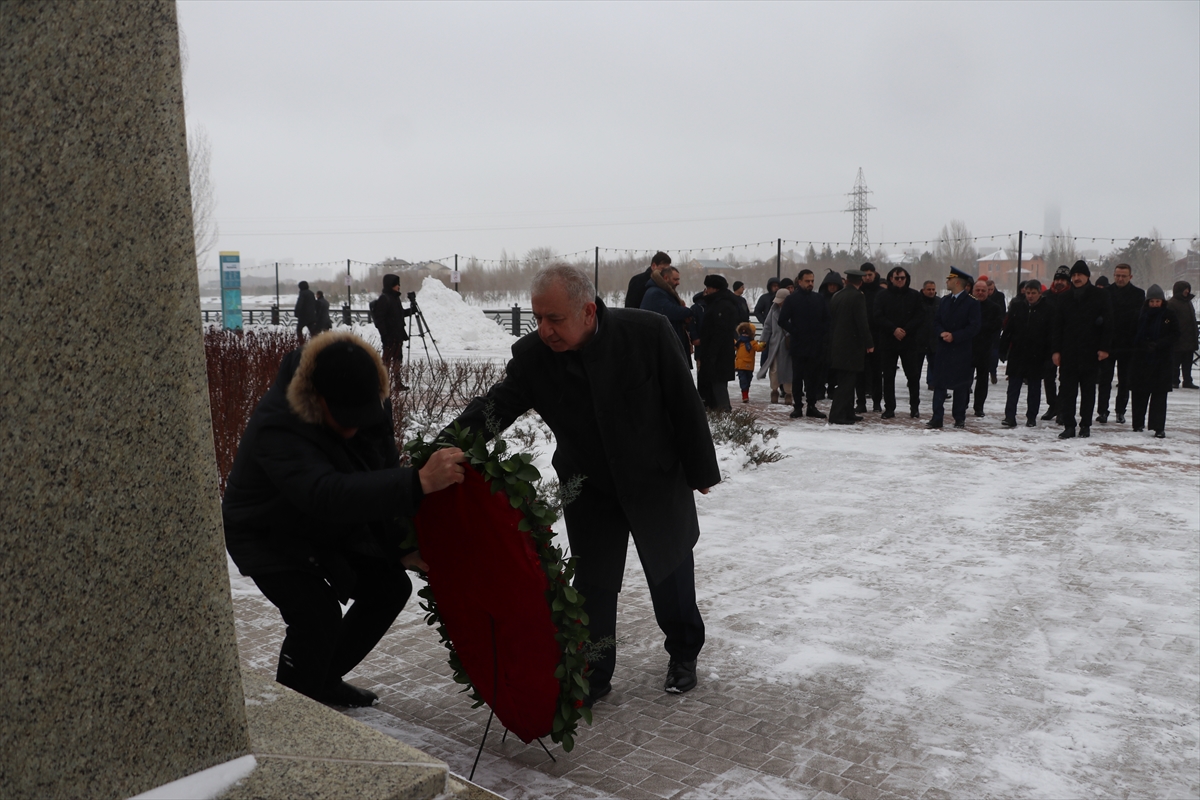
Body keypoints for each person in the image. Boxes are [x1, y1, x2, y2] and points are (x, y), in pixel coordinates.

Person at [452, 265, 720, 703]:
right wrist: (447, 445)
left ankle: (684, 653)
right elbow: (496, 408)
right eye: (538, 318)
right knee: (594, 586)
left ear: (589, 312)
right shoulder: (534, 356)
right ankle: (594, 674)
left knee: (670, 573)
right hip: (588, 485)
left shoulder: (646, 333)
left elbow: (682, 401)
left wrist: (701, 470)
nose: (545, 330)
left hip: (653, 479)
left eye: (554, 319)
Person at [222, 332, 467, 707]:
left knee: (389, 587)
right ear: (318, 399)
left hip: (325, 524)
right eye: (345, 419)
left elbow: (378, 467)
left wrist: (397, 548)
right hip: (266, 531)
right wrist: (418, 481)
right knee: (316, 613)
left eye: (362, 417)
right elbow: (325, 494)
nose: (355, 428)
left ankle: (321, 680)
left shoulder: (366, 392)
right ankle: (291, 711)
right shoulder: (279, 423)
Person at [1051, 260, 1114, 439]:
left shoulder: (1100, 296)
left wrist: (1104, 348)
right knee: (1067, 391)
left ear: (1087, 276)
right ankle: (1069, 425)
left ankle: (1085, 425)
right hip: (1069, 352)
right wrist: (1056, 350)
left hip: (1091, 352)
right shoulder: (1064, 297)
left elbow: (1108, 324)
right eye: (1074, 275)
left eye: (1080, 275)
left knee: (1088, 391)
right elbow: (1057, 326)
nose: (1076, 278)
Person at [927, 267, 981, 430]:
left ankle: (959, 418)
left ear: (957, 282)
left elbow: (974, 327)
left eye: (949, 279)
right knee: (939, 384)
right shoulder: (944, 301)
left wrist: (955, 336)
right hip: (944, 349)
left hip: (961, 351)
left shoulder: (972, 303)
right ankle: (937, 418)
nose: (947, 281)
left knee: (960, 386)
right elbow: (936, 321)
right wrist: (941, 332)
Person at [872, 266, 926, 419]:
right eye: (897, 278)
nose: (900, 281)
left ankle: (914, 407)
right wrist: (893, 329)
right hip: (888, 341)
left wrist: (905, 330)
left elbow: (920, 316)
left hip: (909, 341)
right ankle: (889, 408)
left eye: (902, 278)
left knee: (913, 376)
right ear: (891, 279)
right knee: (888, 376)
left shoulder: (915, 296)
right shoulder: (882, 296)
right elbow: (878, 316)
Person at [999, 280, 1052, 428]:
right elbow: (1008, 329)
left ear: (1039, 293)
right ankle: (1009, 416)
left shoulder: (1047, 309)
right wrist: (1003, 349)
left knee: (1034, 388)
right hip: (1017, 352)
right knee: (1013, 388)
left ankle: (1031, 417)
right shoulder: (1017, 306)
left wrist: (1049, 355)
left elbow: (1050, 334)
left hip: (1037, 354)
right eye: (1028, 293)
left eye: (1033, 293)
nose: (1030, 296)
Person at [1096, 263, 1144, 423]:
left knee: (1125, 381)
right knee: (1104, 380)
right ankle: (1102, 411)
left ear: (1130, 277)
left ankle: (1120, 411)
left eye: (1123, 276)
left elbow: (1140, 319)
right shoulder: (1106, 293)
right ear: (1113, 275)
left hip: (1128, 345)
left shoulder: (1138, 294)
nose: (1120, 278)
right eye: (1117, 275)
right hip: (1108, 344)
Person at [778, 269, 830, 419]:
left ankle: (812, 406)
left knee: (813, 378)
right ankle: (798, 406)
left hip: (815, 344)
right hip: (798, 344)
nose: (810, 284)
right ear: (799, 281)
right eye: (807, 281)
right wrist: (795, 331)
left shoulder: (818, 298)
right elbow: (782, 320)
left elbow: (827, 319)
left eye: (812, 281)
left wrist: (821, 332)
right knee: (798, 377)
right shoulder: (792, 299)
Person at [1130, 284, 1180, 438]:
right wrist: (1144, 344)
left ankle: (1158, 427)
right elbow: (1133, 333)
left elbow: (1175, 335)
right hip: (1141, 359)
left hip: (1162, 360)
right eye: (1152, 302)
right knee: (1139, 394)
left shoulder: (1169, 315)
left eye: (1157, 301)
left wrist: (1159, 344)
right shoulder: (1140, 314)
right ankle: (1138, 423)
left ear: (1162, 301)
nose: (1154, 305)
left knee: (1159, 396)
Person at [827, 268, 874, 425]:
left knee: (846, 380)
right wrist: (869, 343)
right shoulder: (857, 297)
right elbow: (862, 322)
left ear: (846, 280)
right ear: (860, 282)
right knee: (847, 383)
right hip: (852, 346)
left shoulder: (837, 295)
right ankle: (837, 415)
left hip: (837, 344)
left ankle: (848, 412)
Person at [695, 274, 741, 410]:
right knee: (716, 383)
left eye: (708, 287)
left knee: (718, 384)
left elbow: (719, 331)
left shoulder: (721, 305)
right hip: (719, 351)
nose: (706, 290)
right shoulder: (722, 302)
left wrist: (711, 354)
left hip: (717, 352)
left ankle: (723, 411)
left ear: (714, 289)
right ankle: (718, 410)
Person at [641, 265, 694, 366]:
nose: (678, 282)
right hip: (662, 345)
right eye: (675, 279)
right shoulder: (656, 293)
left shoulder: (662, 292)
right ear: (665, 278)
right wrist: (689, 311)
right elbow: (672, 311)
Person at [1040, 266, 1072, 421]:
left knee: (1065, 379)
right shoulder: (1046, 296)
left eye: (1063, 280)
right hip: (1047, 343)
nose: (1059, 282)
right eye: (1057, 279)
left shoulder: (1072, 297)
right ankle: (1053, 405)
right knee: (1048, 377)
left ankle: (1062, 408)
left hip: (1066, 343)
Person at [372, 274, 415, 383]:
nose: (398, 286)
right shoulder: (384, 299)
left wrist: (411, 311)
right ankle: (382, 383)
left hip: (398, 335)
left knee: (398, 360)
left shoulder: (395, 298)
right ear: (390, 285)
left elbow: (398, 314)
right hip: (389, 336)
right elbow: (379, 319)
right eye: (396, 284)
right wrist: (385, 335)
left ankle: (397, 382)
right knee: (386, 361)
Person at [970, 279, 1004, 417]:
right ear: (973, 291)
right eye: (977, 290)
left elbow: (996, 326)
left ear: (988, 292)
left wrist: (977, 329)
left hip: (985, 348)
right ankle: (963, 403)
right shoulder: (968, 306)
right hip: (968, 347)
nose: (980, 293)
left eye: (983, 291)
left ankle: (979, 407)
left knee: (982, 380)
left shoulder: (994, 308)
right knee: (966, 379)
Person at [756, 288, 793, 405]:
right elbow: (767, 326)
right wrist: (763, 341)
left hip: (788, 345)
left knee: (789, 370)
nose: (779, 303)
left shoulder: (795, 310)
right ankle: (774, 390)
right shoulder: (774, 310)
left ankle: (788, 393)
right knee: (774, 370)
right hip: (775, 344)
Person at [857, 263, 883, 412]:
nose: (867, 277)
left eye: (870, 275)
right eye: (865, 275)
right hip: (859, 337)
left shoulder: (881, 292)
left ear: (875, 274)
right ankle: (860, 402)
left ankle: (877, 402)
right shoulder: (858, 292)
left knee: (876, 372)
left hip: (877, 337)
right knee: (860, 372)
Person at [1168, 281, 1198, 389]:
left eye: (1188, 289)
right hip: (1178, 339)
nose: (1187, 291)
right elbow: (1168, 321)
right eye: (1184, 289)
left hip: (1189, 338)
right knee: (1175, 363)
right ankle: (1174, 380)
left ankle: (1187, 380)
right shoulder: (1171, 304)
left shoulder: (1188, 302)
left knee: (1187, 363)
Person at [734, 321, 765, 403]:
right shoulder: (739, 342)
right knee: (743, 380)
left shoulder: (752, 343)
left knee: (748, 379)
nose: (744, 335)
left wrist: (763, 344)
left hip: (749, 365)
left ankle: (746, 391)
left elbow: (758, 348)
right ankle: (745, 395)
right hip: (740, 365)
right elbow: (734, 346)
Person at [920, 280, 940, 390]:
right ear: (923, 290)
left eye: (933, 289)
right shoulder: (917, 301)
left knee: (936, 366)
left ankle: (935, 384)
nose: (931, 292)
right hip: (920, 340)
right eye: (929, 289)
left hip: (935, 339)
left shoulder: (939, 302)